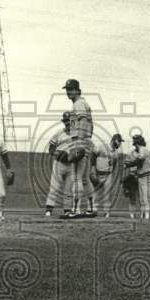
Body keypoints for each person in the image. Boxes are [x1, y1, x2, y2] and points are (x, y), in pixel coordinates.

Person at [63, 79, 94, 215]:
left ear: (77, 90)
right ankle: (91, 208)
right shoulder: (84, 103)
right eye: (67, 89)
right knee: (85, 178)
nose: (68, 92)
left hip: (79, 140)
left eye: (71, 89)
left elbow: (82, 121)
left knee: (76, 177)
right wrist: (87, 138)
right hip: (86, 140)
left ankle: (75, 210)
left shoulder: (78, 104)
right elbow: (91, 125)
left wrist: (79, 142)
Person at [45, 113, 76, 217]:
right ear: (64, 122)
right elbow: (51, 148)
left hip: (71, 164)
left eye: (69, 120)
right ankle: (49, 209)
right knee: (54, 187)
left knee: (69, 189)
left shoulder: (76, 135)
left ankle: (67, 210)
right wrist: (56, 154)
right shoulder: (58, 133)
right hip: (59, 163)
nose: (68, 123)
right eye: (66, 121)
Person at [91, 133, 125, 218]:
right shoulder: (102, 147)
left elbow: (115, 163)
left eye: (120, 142)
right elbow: (93, 155)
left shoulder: (116, 153)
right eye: (119, 141)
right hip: (98, 173)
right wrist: (92, 169)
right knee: (95, 192)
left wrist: (111, 172)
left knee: (107, 194)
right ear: (113, 140)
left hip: (108, 175)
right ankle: (93, 210)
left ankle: (106, 212)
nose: (120, 143)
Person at [124, 133, 150, 220]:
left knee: (144, 197)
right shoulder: (146, 150)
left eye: (135, 143)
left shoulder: (142, 150)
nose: (135, 145)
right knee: (146, 196)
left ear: (137, 143)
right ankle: (145, 215)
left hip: (143, 175)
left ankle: (145, 216)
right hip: (147, 174)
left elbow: (138, 161)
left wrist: (129, 165)